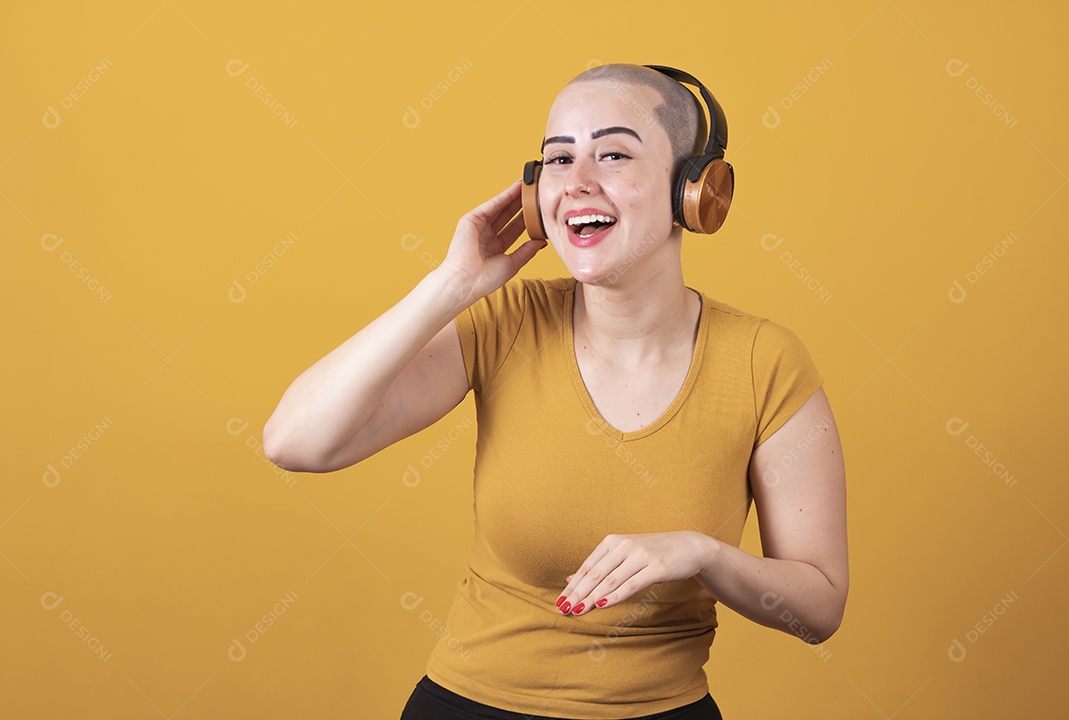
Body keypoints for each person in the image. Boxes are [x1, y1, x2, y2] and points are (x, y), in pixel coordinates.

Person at [264, 63, 848, 720]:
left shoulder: (764, 363)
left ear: (696, 190)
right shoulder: (504, 323)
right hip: (469, 706)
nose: (577, 183)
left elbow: (819, 608)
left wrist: (703, 554)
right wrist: (451, 287)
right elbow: (294, 442)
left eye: (614, 154)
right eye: (558, 160)